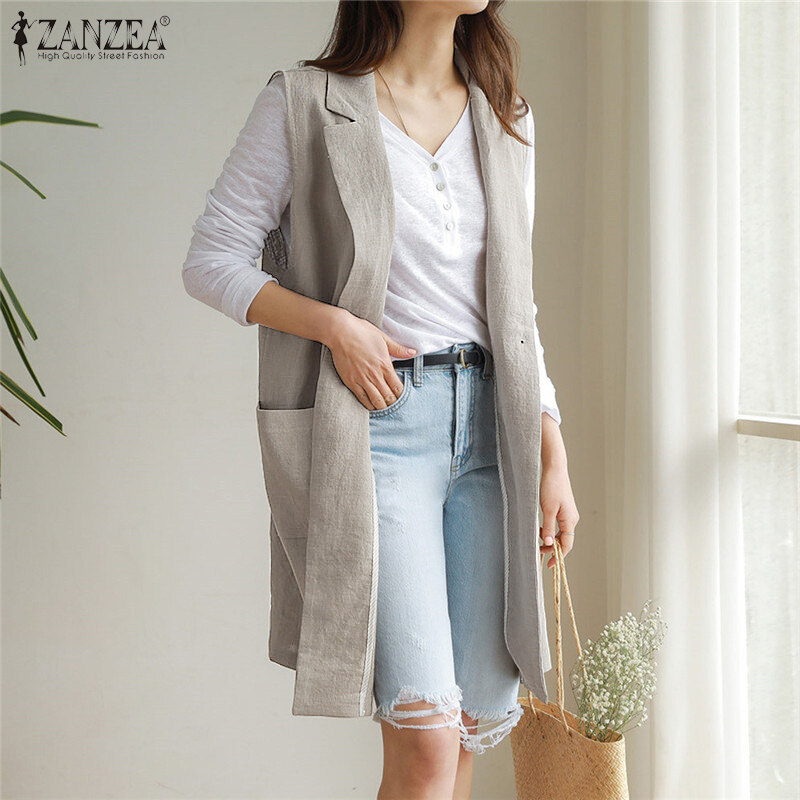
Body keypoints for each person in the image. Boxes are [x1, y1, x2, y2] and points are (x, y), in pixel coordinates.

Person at [182, 1, 580, 796]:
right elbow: (210, 259)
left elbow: (516, 307)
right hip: (383, 433)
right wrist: (335, 327)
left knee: (463, 735)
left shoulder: (506, 115)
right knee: (425, 738)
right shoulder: (306, 103)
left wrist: (552, 451)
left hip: (493, 436)